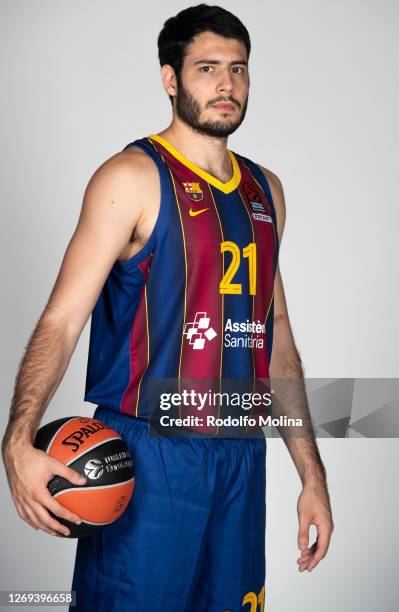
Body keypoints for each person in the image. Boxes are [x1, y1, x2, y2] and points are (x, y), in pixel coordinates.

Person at [1, 4, 334, 610]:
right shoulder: (130, 177)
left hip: (240, 450)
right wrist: (17, 440)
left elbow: (275, 332)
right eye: (207, 68)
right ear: (170, 78)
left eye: (238, 69)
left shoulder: (267, 190)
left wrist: (312, 474)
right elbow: (62, 318)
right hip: (149, 452)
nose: (226, 84)